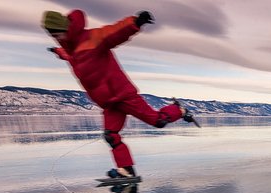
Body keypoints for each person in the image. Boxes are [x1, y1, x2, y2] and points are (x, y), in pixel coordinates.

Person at [41, 9, 198, 179]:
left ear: (66, 29)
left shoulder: (92, 38)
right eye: (53, 35)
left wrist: (135, 22)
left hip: (123, 94)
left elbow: (114, 32)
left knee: (158, 121)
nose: (57, 38)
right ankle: (126, 170)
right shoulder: (71, 51)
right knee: (111, 136)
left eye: (58, 34)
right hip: (109, 103)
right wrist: (57, 51)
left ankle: (178, 110)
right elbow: (69, 55)